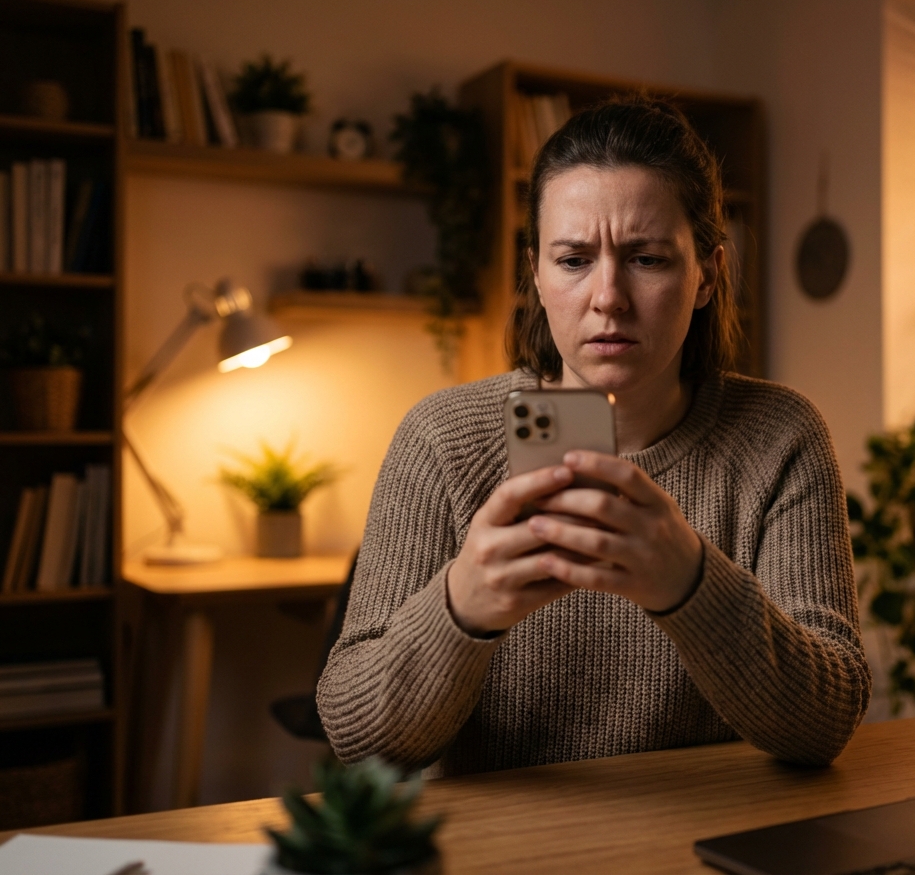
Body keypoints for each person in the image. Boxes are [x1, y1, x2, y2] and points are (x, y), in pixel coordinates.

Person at [316, 96, 870, 776]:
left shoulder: (780, 437)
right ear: (538, 276)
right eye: (574, 259)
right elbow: (355, 734)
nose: (608, 296)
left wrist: (689, 582)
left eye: (647, 259)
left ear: (708, 275)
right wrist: (463, 605)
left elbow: (825, 724)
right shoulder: (442, 439)